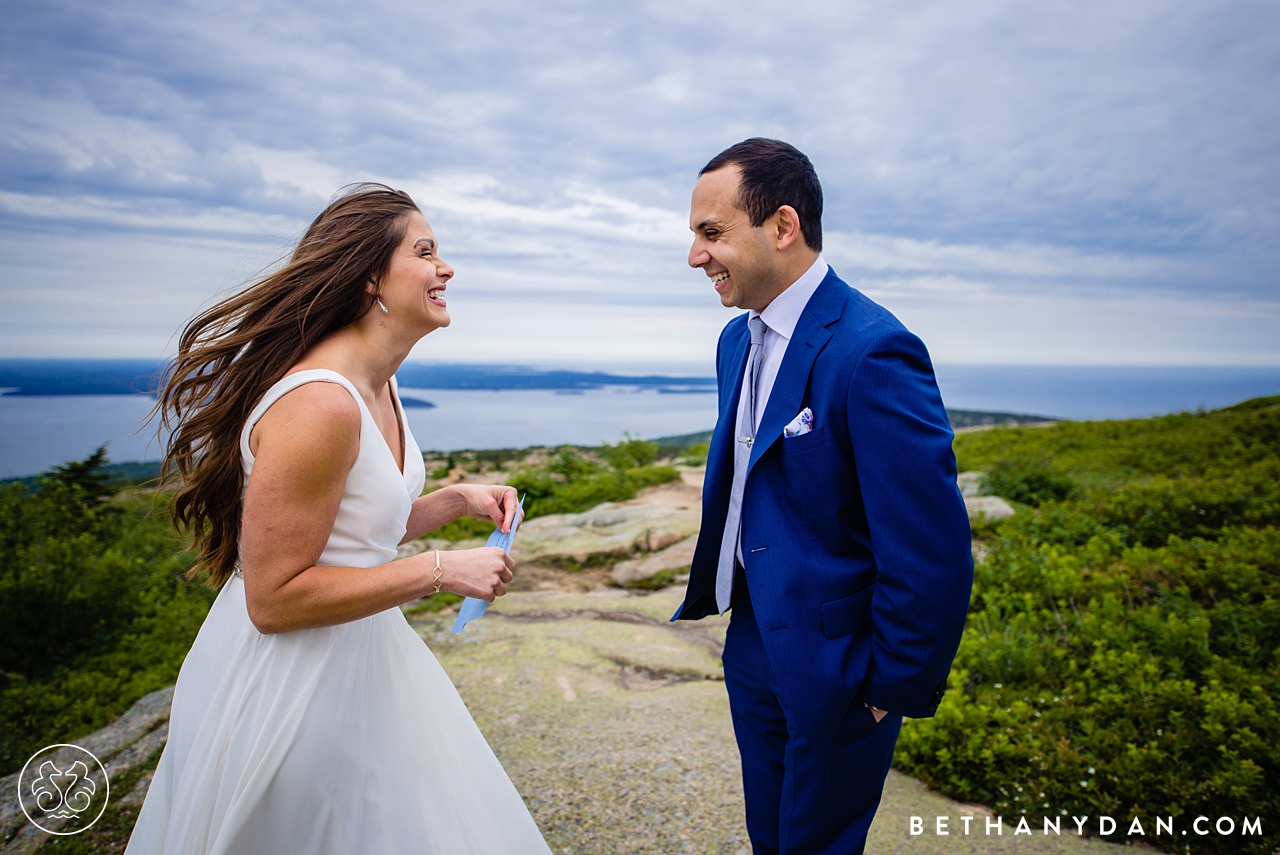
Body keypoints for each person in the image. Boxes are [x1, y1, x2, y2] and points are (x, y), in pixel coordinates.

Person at [126, 184, 552, 854]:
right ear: (371, 278)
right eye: (426, 251)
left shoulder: (379, 382)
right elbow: (273, 597)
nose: (446, 267)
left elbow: (353, 532)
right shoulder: (321, 403)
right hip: (293, 683)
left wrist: (454, 501)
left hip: (359, 653)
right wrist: (439, 570)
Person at [672, 139, 974, 854]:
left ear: (783, 226)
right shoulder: (733, 342)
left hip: (841, 667)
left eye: (711, 234)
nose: (694, 256)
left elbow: (929, 548)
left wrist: (884, 687)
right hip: (752, 642)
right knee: (770, 838)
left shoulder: (873, 350)